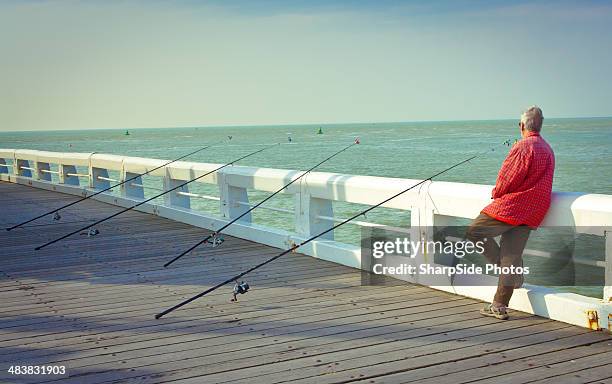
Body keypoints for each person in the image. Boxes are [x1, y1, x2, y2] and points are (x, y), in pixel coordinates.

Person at [466, 106, 555, 320]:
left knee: (474, 233)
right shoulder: (547, 148)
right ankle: (499, 305)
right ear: (540, 125)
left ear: (521, 125)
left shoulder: (523, 146)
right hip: (534, 210)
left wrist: (496, 192)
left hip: (513, 207)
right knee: (511, 257)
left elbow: (507, 180)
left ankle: (512, 274)